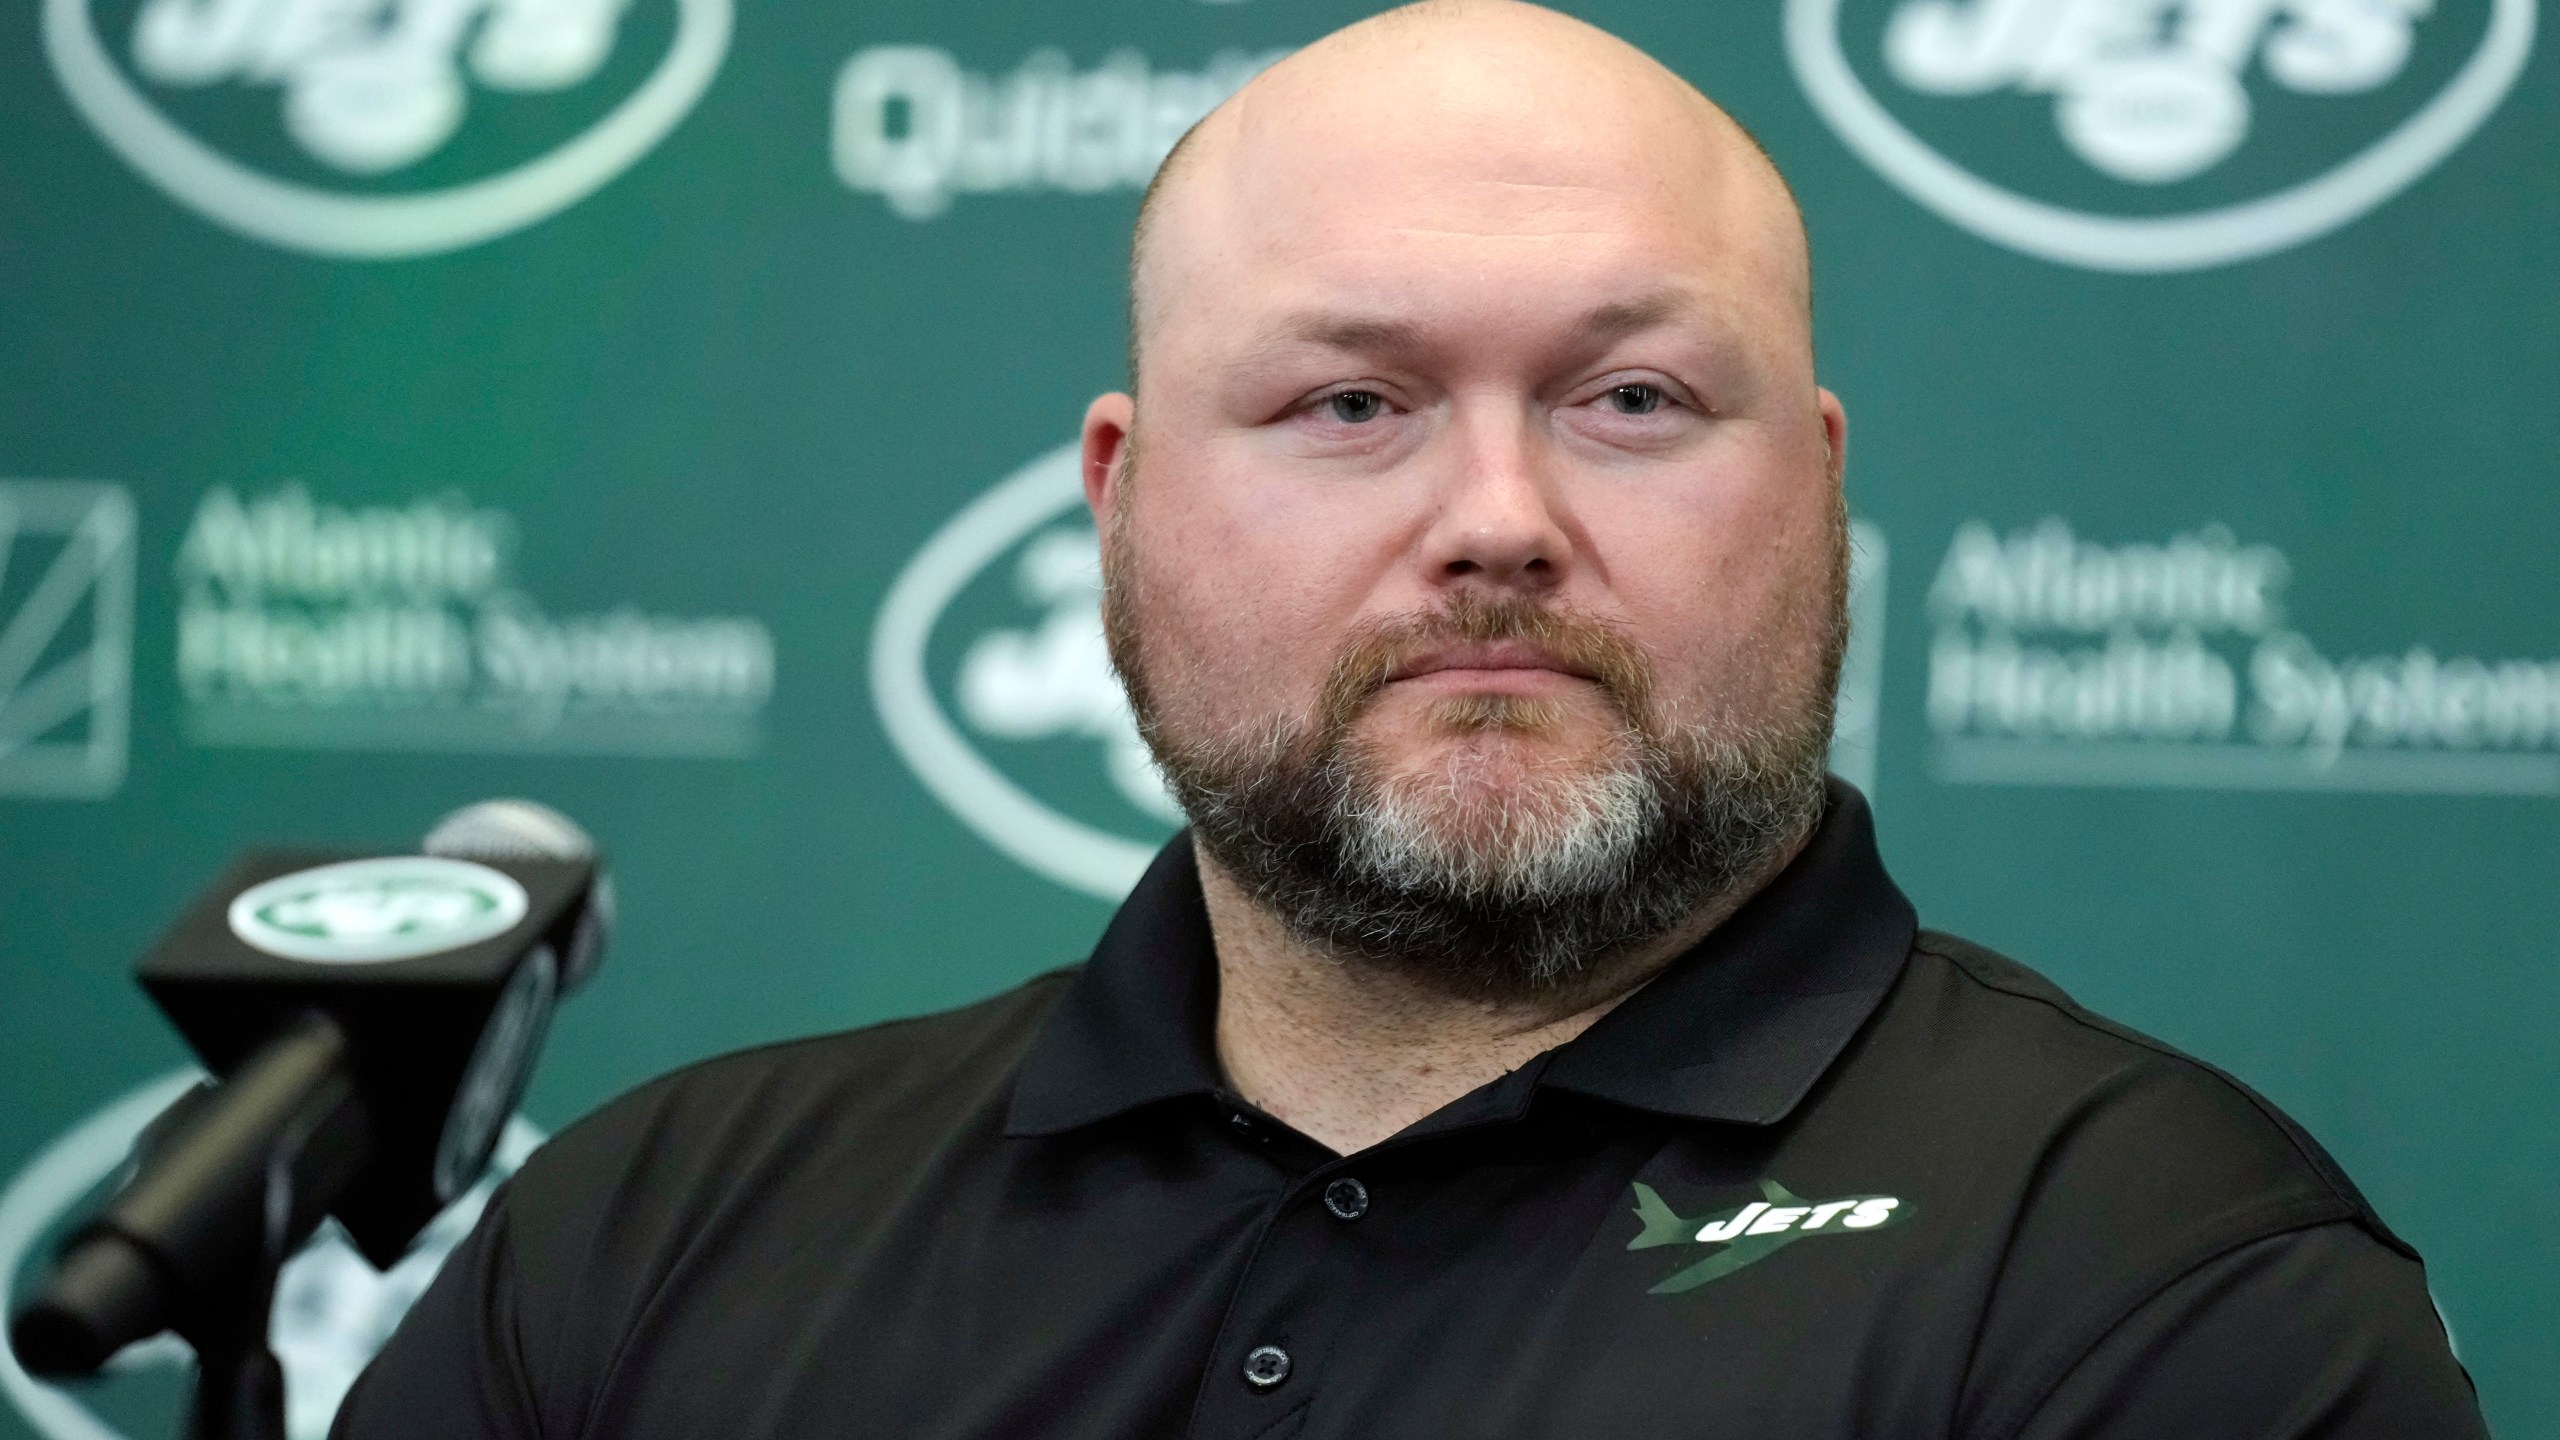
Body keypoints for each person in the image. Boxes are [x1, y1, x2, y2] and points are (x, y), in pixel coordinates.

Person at [333, 4, 2487, 1435]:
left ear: (1819, 491)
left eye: (1629, 400)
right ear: (1122, 502)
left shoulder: (2159, 1287)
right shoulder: (657, 1240)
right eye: (1346, 403)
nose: (1496, 520)